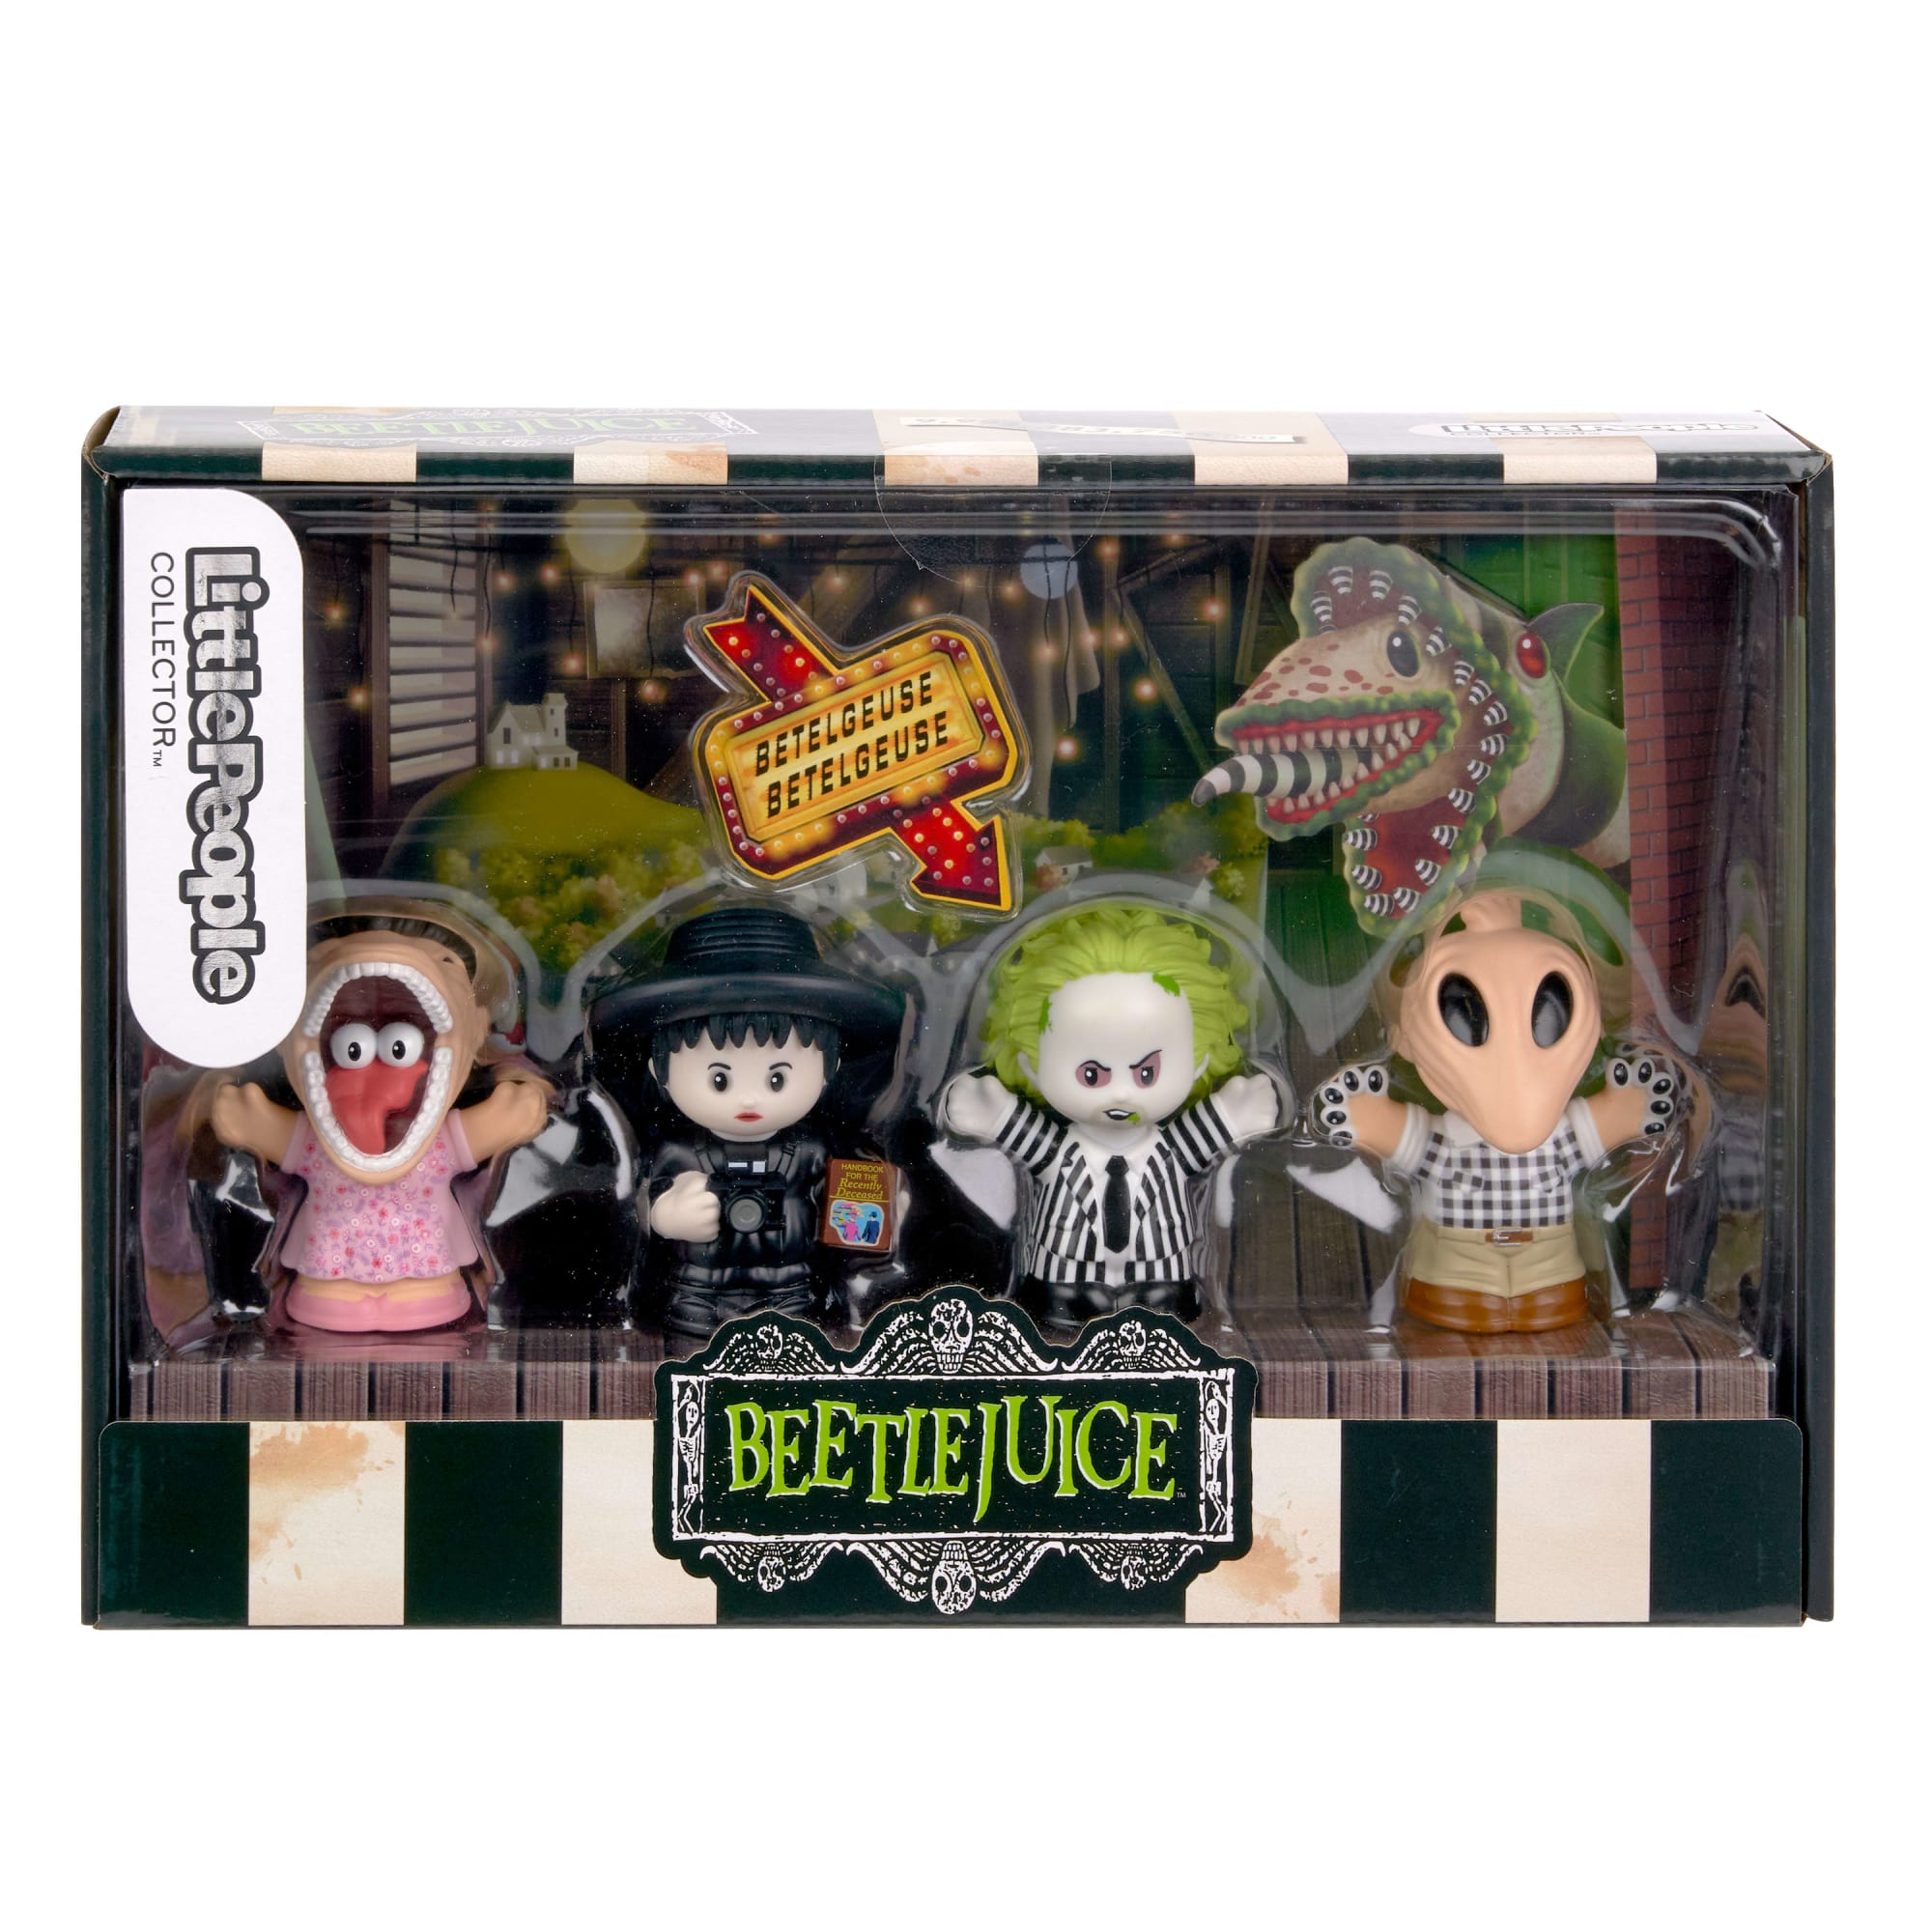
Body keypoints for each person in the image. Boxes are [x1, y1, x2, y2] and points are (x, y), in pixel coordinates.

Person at [1312, 887, 1682, 1333]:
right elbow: (1405, 1139)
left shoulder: (1558, 1133)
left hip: (1550, 1267)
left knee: (1547, 1299)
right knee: (1460, 1304)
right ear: (1403, 1040)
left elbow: (1602, 1126)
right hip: (1456, 1269)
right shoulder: (1445, 1140)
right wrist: (1365, 1117)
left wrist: (1632, 1107)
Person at [945, 901, 1279, 1329]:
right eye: (1092, 1074)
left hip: (1163, 1268)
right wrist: (994, 1115)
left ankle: (1156, 1291)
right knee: (1064, 1298)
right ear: (1030, 1062)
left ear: (1199, 1061)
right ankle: (1069, 1295)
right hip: (1062, 1272)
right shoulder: (1058, 1149)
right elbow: (1026, 1139)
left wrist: (1234, 1115)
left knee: (1161, 1300)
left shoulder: (1171, 1149)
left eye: (1146, 1073)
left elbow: (1202, 1137)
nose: (1120, 1092)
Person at [591, 905, 905, 1350]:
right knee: (689, 1369)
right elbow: (643, 1201)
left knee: (794, 1373)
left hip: (792, 1293)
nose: (749, 1100)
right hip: (697, 1294)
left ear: (829, 1068)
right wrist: (666, 1216)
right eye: (719, 1080)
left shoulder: (813, 1150)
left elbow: (852, 1218)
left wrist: (880, 1216)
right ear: (660, 1072)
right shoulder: (680, 1151)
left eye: (777, 1080)